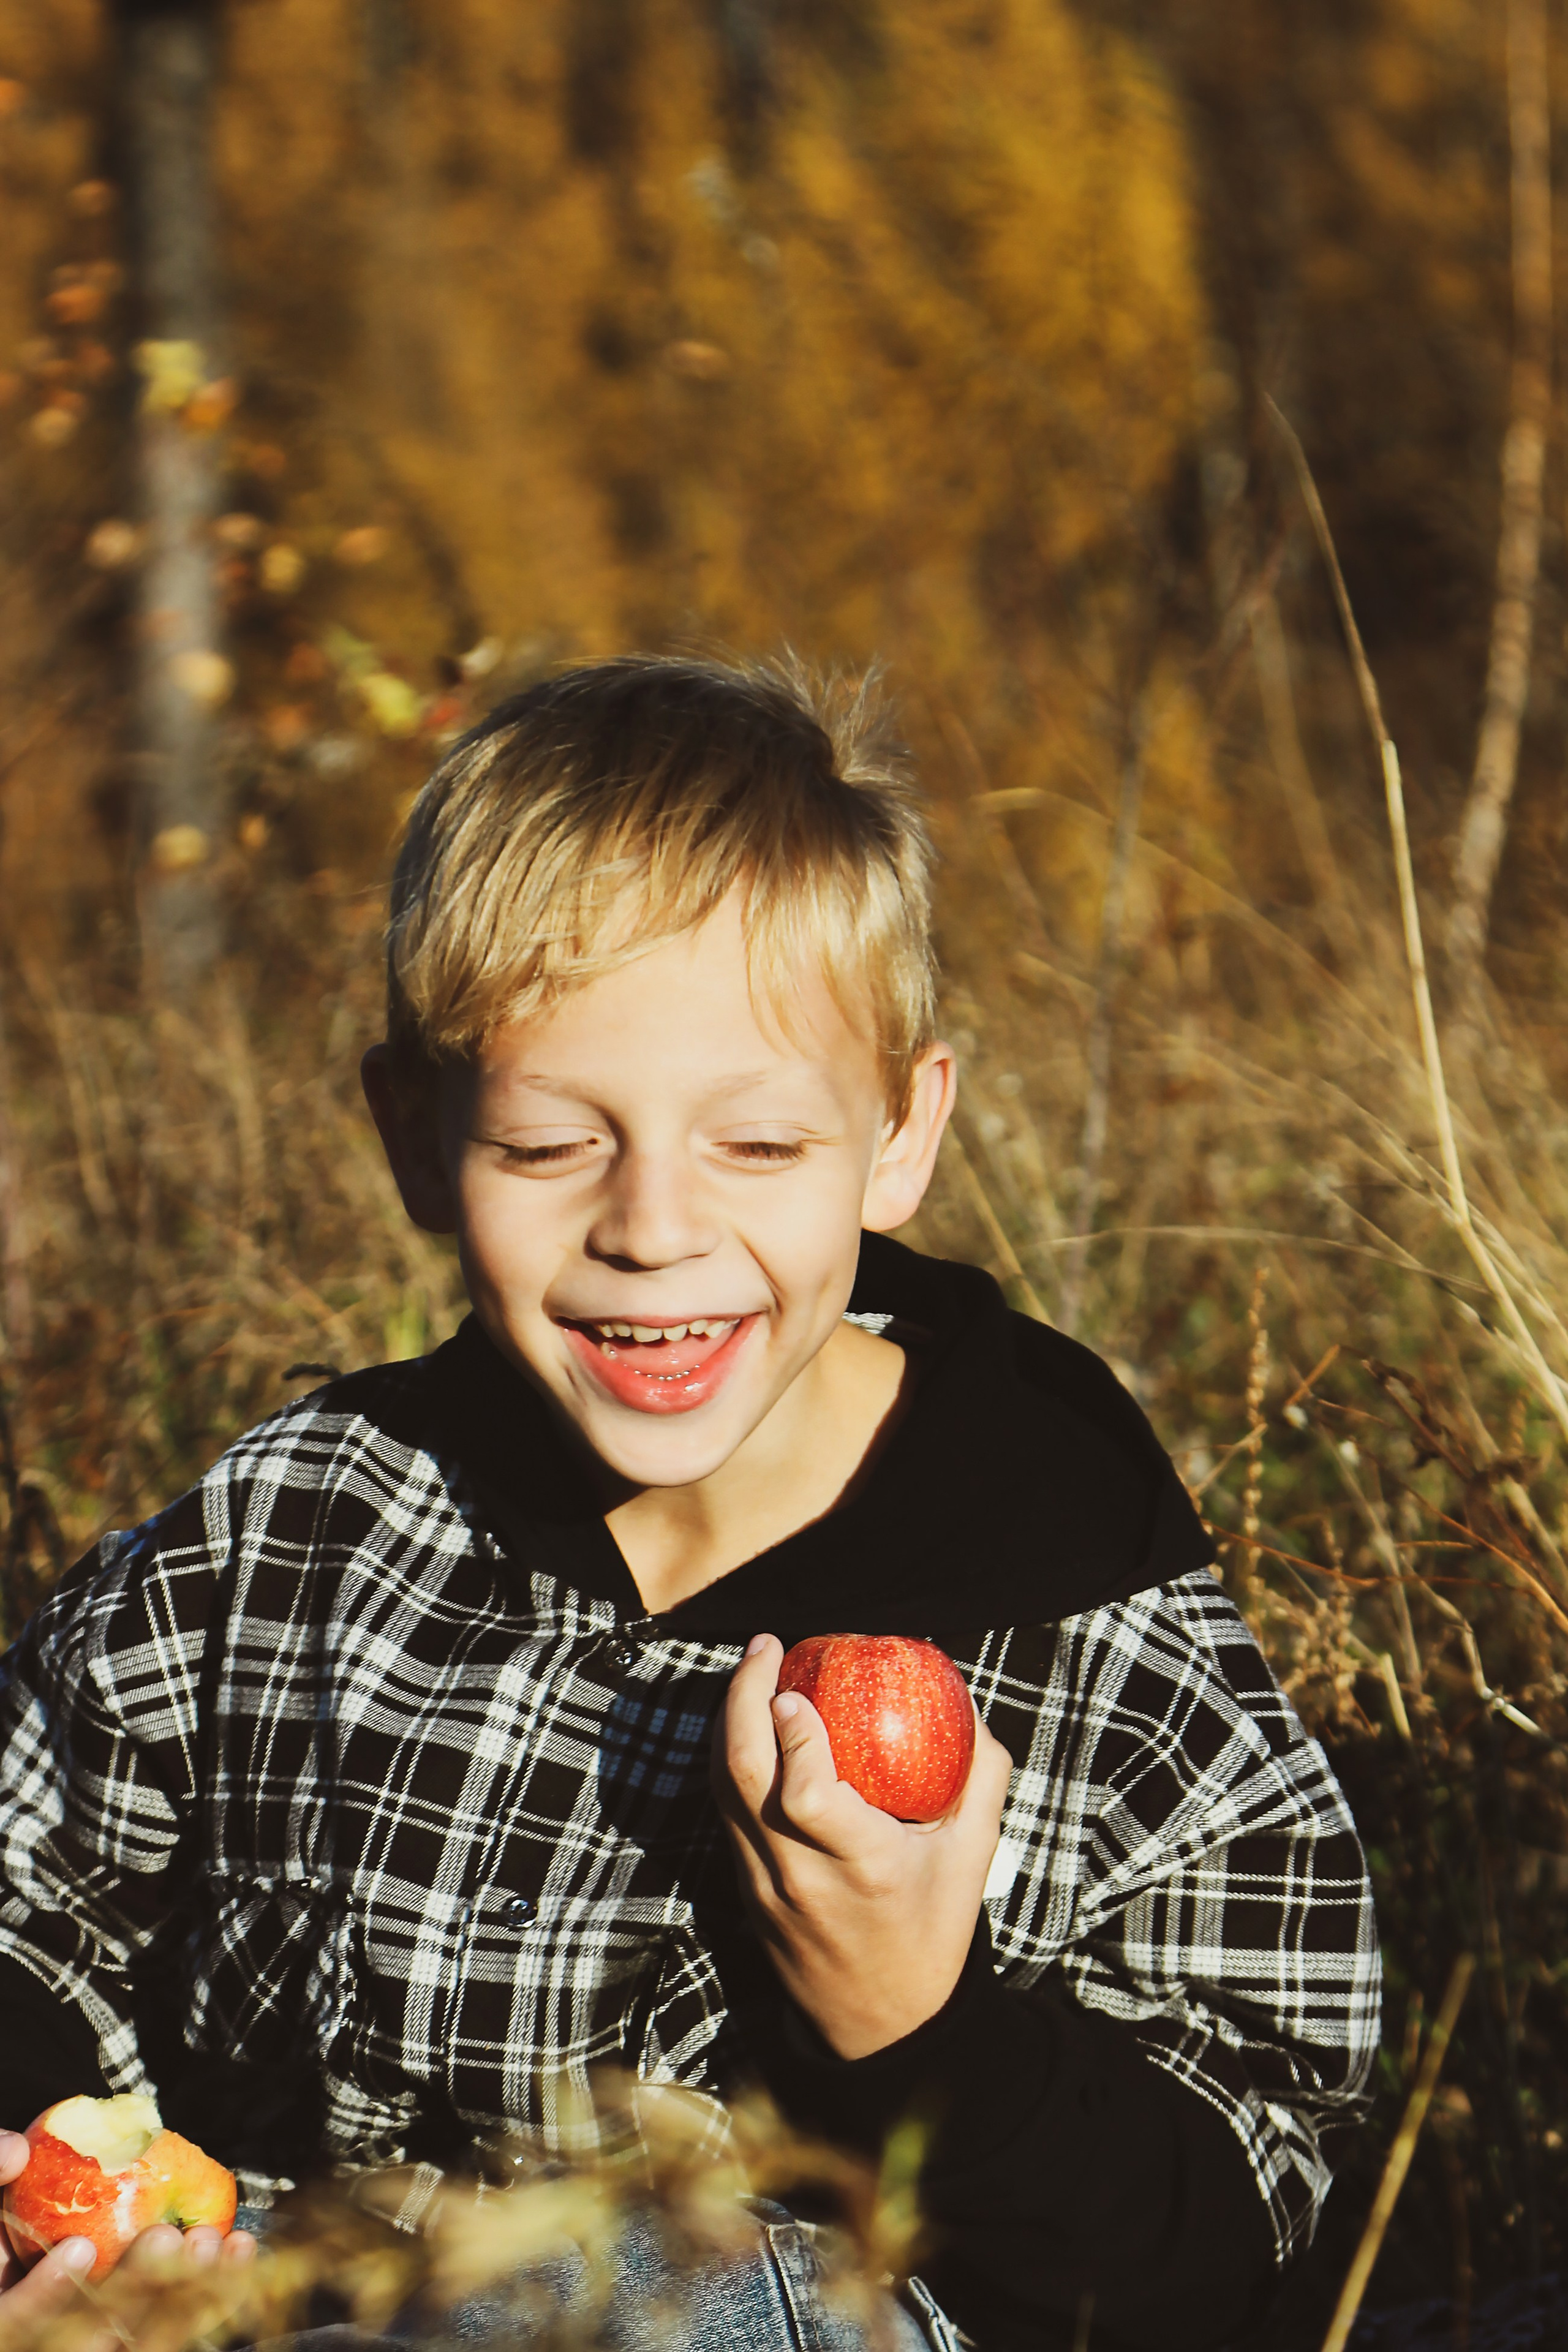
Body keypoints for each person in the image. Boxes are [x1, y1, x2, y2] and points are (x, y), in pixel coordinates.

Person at [0, 657, 1379, 2351]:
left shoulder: (1075, 1619)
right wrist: (58, 2184)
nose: (654, 1228)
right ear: (417, 1139)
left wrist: (917, 2029)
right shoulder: (296, 1538)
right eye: (549, 1145)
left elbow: (1233, 2225)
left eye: (758, 1148)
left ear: (897, 1134)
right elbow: (36, 1891)